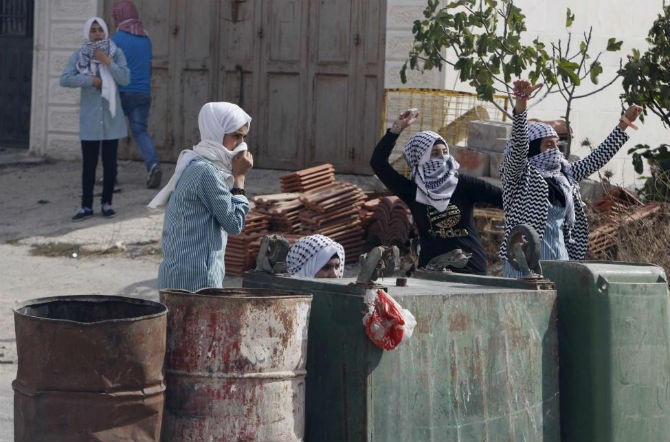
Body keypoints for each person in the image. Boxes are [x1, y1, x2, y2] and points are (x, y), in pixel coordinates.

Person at [499, 79, 643, 278]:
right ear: (532, 149)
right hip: (524, 264)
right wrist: (521, 104)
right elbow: (519, 145)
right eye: (548, 145)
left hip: (560, 258)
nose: (556, 151)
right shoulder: (519, 175)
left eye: (557, 145)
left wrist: (624, 124)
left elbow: (597, 158)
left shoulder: (564, 175)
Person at [370, 109, 503, 274]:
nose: (441, 158)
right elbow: (378, 164)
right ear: (420, 158)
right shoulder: (413, 191)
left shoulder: (464, 184)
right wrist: (396, 129)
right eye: (434, 154)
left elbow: (505, 199)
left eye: (444, 152)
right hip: (433, 270)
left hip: (471, 268)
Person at [150, 102, 254, 291]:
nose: (241, 145)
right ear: (216, 131)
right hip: (196, 281)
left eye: (244, 137)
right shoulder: (206, 172)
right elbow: (234, 224)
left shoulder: (197, 162)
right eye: (236, 136)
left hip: (180, 277)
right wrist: (239, 178)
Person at [60, 17, 130, 221]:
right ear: (87, 34)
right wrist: (91, 80)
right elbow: (65, 79)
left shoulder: (116, 53)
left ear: (106, 32)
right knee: (89, 165)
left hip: (111, 118)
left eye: (100, 30)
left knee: (110, 165)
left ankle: (107, 203)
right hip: (90, 120)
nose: (97, 33)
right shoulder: (80, 55)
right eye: (93, 30)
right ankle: (86, 206)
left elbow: (125, 78)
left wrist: (107, 61)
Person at [111, 0, 162, 189]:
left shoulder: (115, 41)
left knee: (111, 133)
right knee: (140, 131)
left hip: (120, 93)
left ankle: (111, 173)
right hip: (142, 93)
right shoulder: (146, 40)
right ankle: (153, 164)